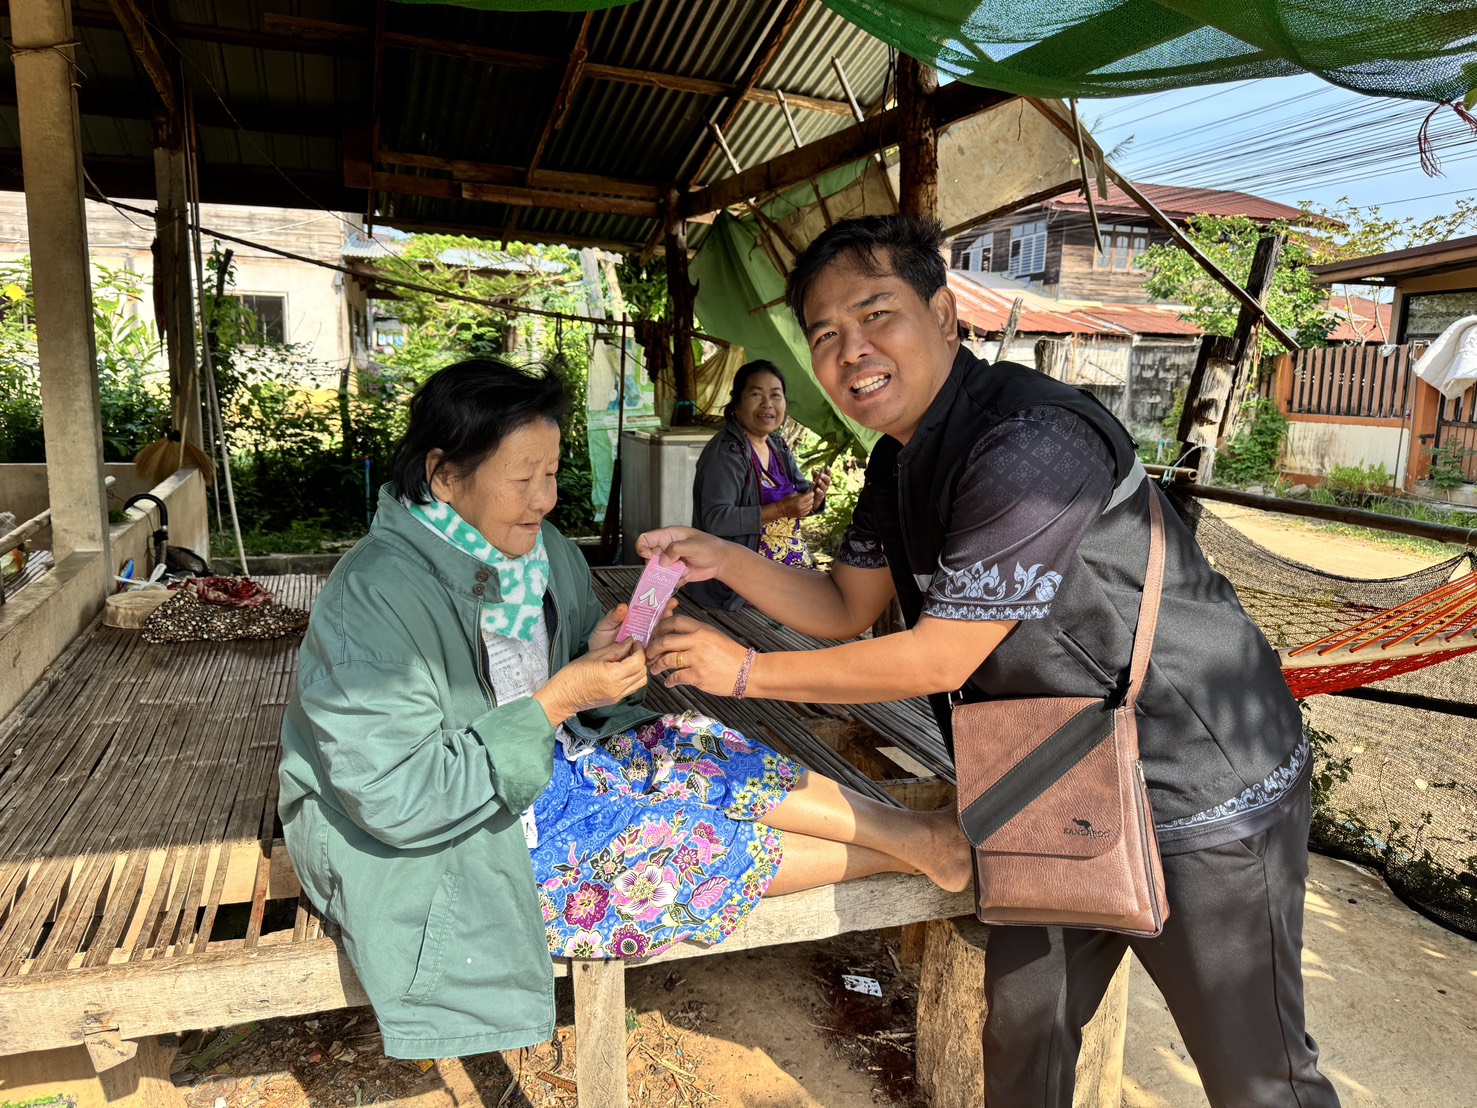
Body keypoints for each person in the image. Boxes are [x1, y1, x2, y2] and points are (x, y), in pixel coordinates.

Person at [640, 216, 1340, 1107]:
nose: (851, 351)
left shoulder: (1030, 441)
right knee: (1022, 1042)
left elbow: (940, 655)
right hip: (1052, 780)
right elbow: (846, 607)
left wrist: (744, 674)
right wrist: (721, 556)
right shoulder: (896, 463)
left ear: (941, 315)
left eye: (875, 314)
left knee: (1256, 1077)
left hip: (1193, 781)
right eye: (824, 334)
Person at [277, 357, 970, 1062]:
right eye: (522, 478)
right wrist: (560, 698)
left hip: (547, 763)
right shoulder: (373, 598)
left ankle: (911, 834)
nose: (545, 499)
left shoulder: (538, 550)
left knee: (695, 744)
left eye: (552, 472)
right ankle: (913, 852)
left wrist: (600, 648)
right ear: (444, 474)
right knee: (674, 846)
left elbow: (559, 662)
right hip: (447, 838)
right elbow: (396, 798)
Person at [688, 359, 831, 609]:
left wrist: (814, 498)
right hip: (739, 585)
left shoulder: (777, 445)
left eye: (775, 395)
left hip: (785, 571)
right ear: (737, 402)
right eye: (756, 394)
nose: (768, 404)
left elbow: (800, 492)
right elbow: (716, 519)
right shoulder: (726, 453)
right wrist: (781, 510)